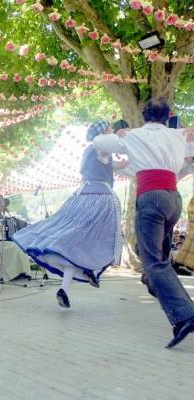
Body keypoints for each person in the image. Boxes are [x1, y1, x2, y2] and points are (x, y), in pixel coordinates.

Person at [93, 97, 194, 348]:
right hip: (173, 199)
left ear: (144, 115)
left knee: (153, 262)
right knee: (159, 258)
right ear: (167, 114)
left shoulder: (133, 136)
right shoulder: (178, 135)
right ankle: (159, 290)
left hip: (151, 199)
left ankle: (186, 314)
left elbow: (97, 141)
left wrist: (119, 133)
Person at [13, 121, 127, 308]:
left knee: (74, 243)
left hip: (80, 196)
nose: (110, 131)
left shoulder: (88, 151)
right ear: (103, 133)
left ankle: (69, 285)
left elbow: (119, 164)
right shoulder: (101, 147)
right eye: (108, 129)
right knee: (102, 239)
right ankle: (86, 271)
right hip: (99, 199)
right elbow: (120, 160)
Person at [0, 198, 31, 282]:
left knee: (20, 247)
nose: (2, 208)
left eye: (3, 206)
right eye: (0, 206)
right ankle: (10, 273)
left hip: (2, 241)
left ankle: (19, 272)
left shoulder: (4, 217)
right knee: (15, 248)